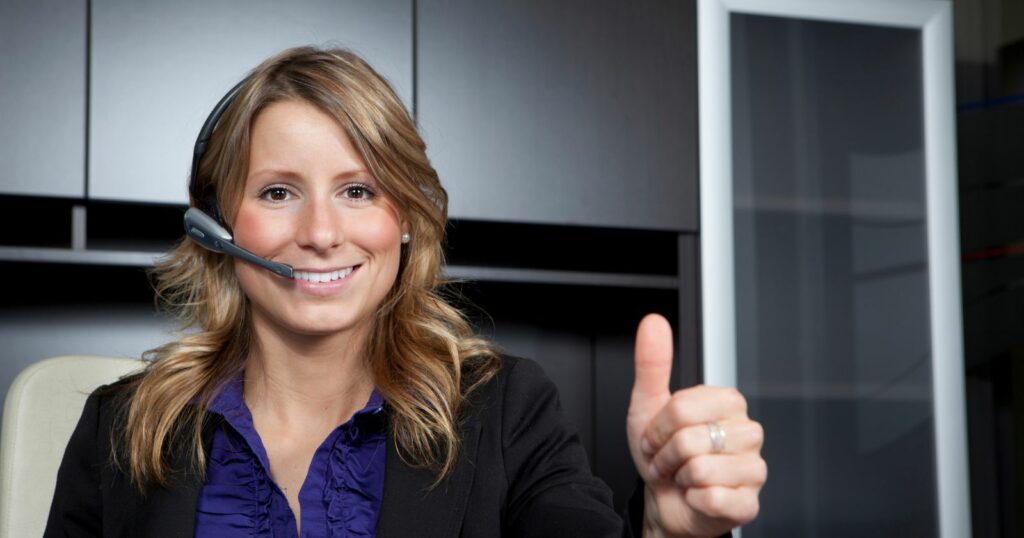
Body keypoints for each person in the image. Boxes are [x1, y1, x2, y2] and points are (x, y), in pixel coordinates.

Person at [44, 46, 765, 537]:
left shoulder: (508, 412)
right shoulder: (118, 427)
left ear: (408, 222)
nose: (323, 232)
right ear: (216, 225)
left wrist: (667, 531)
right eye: (278, 191)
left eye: (358, 190)